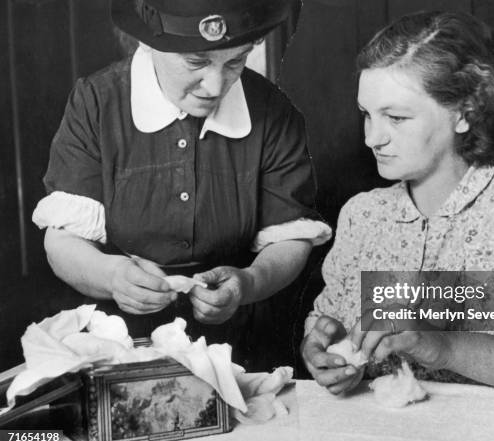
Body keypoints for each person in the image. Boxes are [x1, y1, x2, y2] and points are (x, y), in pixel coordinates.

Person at [301, 11, 494, 393]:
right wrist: (322, 350)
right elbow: (326, 326)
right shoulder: (362, 217)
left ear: (463, 114)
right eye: (367, 114)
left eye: (396, 117)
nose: (372, 138)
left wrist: (443, 346)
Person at [32, 0, 331, 366]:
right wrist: (113, 277)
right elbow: (62, 241)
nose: (215, 84)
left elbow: (290, 239)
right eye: (196, 62)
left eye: (235, 61)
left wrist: (248, 282)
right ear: (151, 45)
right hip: (115, 344)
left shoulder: (274, 113)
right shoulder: (96, 103)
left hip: (239, 347)